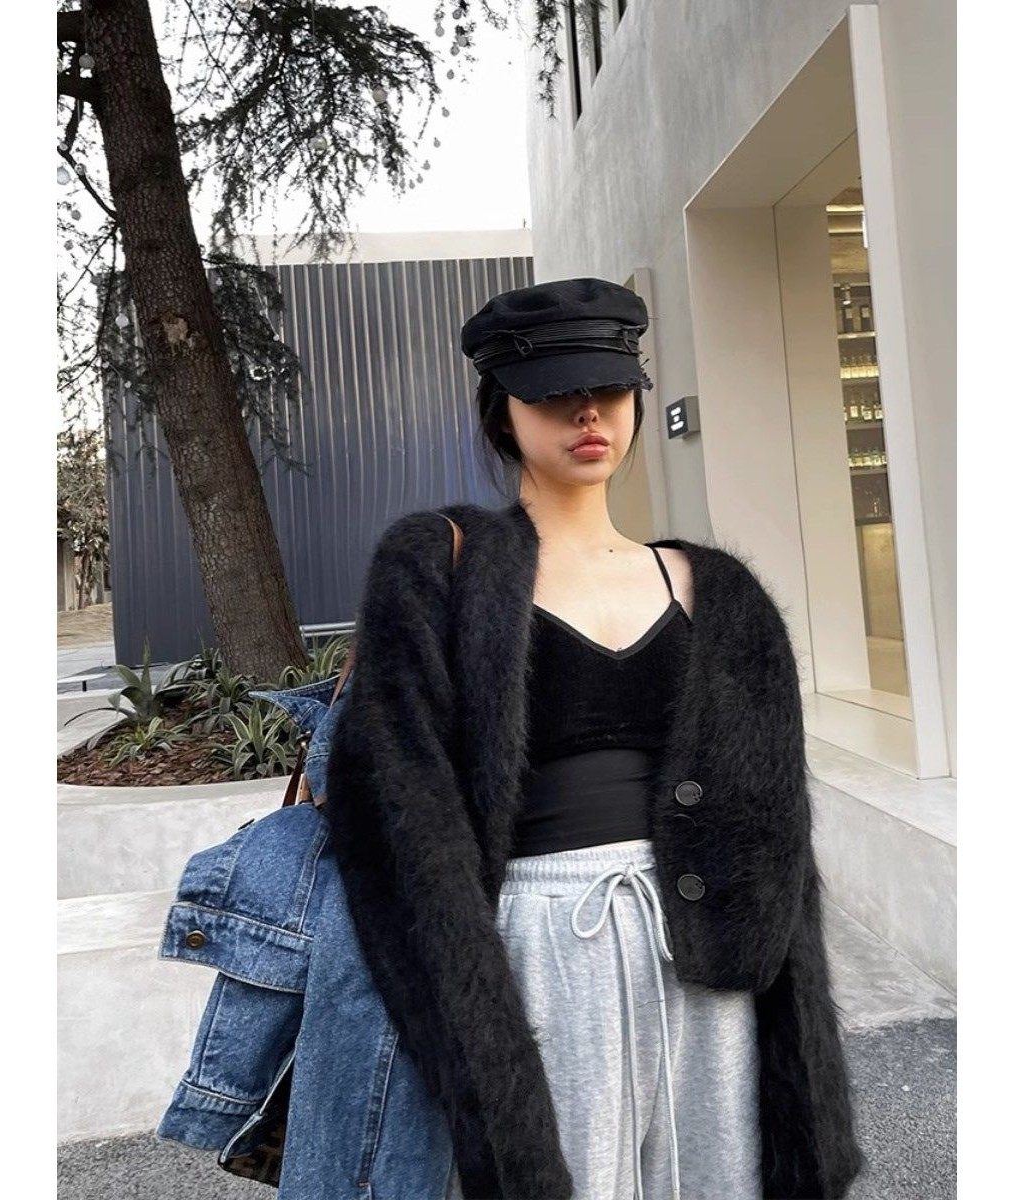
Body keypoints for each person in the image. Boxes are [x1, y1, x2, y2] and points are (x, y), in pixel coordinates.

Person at [323, 277, 865, 1200]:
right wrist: (472, 1032)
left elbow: (778, 839)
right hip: (540, 942)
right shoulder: (440, 563)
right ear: (502, 413)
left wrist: (809, 1081)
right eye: (554, 393)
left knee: (724, 1180)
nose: (588, 413)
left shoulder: (719, 590)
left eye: (611, 390)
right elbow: (399, 813)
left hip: (710, 951)